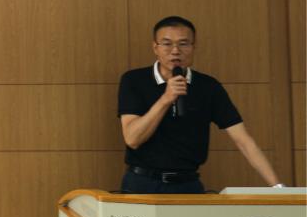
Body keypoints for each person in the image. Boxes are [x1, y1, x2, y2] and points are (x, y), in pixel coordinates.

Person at [117, 15, 282, 193]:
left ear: (194, 47)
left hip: (188, 184)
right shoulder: (134, 80)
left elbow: (243, 140)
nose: (175, 51)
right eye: (167, 44)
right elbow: (132, 139)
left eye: (183, 44)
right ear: (155, 48)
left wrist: (278, 187)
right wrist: (166, 98)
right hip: (142, 183)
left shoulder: (208, 86)